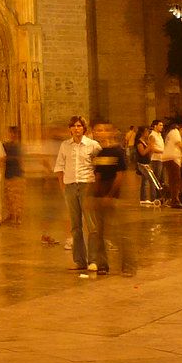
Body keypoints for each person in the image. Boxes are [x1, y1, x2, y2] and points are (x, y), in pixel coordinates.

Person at [53, 117, 98, 270]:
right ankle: (80, 260)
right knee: (75, 226)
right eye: (74, 126)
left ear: (84, 128)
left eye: (79, 126)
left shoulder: (93, 145)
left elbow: (101, 166)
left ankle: (93, 259)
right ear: (70, 129)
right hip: (70, 186)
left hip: (87, 185)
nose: (77, 128)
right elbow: (59, 167)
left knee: (92, 225)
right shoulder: (65, 145)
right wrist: (63, 186)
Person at [90, 122, 129, 273]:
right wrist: (94, 195)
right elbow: (98, 175)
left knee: (117, 231)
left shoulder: (118, 151)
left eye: (103, 130)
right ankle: (103, 264)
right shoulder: (100, 153)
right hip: (101, 196)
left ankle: (126, 264)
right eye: (97, 131)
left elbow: (120, 176)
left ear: (111, 133)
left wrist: (110, 195)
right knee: (99, 232)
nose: (100, 133)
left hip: (114, 196)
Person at [1, 126, 26, 225]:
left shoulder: (18, 147)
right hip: (8, 174)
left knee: (17, 198)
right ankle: (10, 215)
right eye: (10, 133)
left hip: (16, 175)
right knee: (8, 197)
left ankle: (18, 217)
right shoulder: (6, 145)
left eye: (14, 133)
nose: (12, 135)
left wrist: (5, 159)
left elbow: (18, 159)